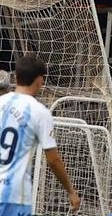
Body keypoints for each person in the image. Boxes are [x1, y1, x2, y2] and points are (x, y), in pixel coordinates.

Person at [0, 56, 80, 214]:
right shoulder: (39, 112)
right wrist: (71, 191)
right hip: (14, 196)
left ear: (16, 77)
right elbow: (53, 160)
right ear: (40, 80)